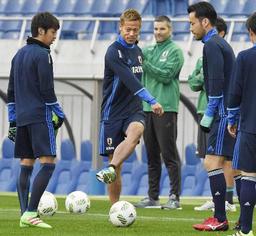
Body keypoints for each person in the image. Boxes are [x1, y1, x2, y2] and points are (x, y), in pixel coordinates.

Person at [96, 9, 164, 204]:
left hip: (133, 110)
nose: (132, 34)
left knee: (135, 133)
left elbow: (137, 82)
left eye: (135, 30)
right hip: (112, 112)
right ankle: (115, 208)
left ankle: (110, 168)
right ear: (121, 27)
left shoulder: (138, 51)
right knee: (117, 169)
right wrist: (152, 100)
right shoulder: (113, 52)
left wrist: (147, 102)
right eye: (128, 29)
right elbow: (130, 81)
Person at [7, 12, 65, 229]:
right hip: (40, 116)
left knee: (26, 164)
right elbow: (47, 89)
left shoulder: (18, 55)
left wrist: (13, 121)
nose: (55, 37)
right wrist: (59, 113)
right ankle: (31, 212)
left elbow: (11, 92)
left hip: (22, 118)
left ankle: (24, 216)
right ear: (41, 31)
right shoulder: (43, 54)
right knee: (48, 164)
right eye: (53, 32)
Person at [188, 2, 236, 231]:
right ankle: (222, 216)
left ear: (205, 22)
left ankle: (220, 218)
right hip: (227, 111)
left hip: (223, 113)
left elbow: (216, 83)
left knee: (213, 161)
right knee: (221, 162)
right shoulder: (218, 43)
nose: (191, 28)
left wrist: (210, 112)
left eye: (192, 23)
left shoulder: (212, 46)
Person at [134, 15, 184, 209]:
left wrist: (144, 63)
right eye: (155, 29)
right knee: (152, 155)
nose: (158, 32)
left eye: (162, 29)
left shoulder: (175, 51)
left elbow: (165, 76)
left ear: (170, 30)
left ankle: (174, 197)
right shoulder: (148, 50)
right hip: (147, 108)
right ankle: (152, 196)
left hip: (167, 108)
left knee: (169, 154)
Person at [227, 12, 256, 236]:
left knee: (249, 175)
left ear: (251, 33)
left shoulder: (244, 57)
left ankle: (245, 230)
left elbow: (234, 94)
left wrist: (231, 120)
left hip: (251, 127)